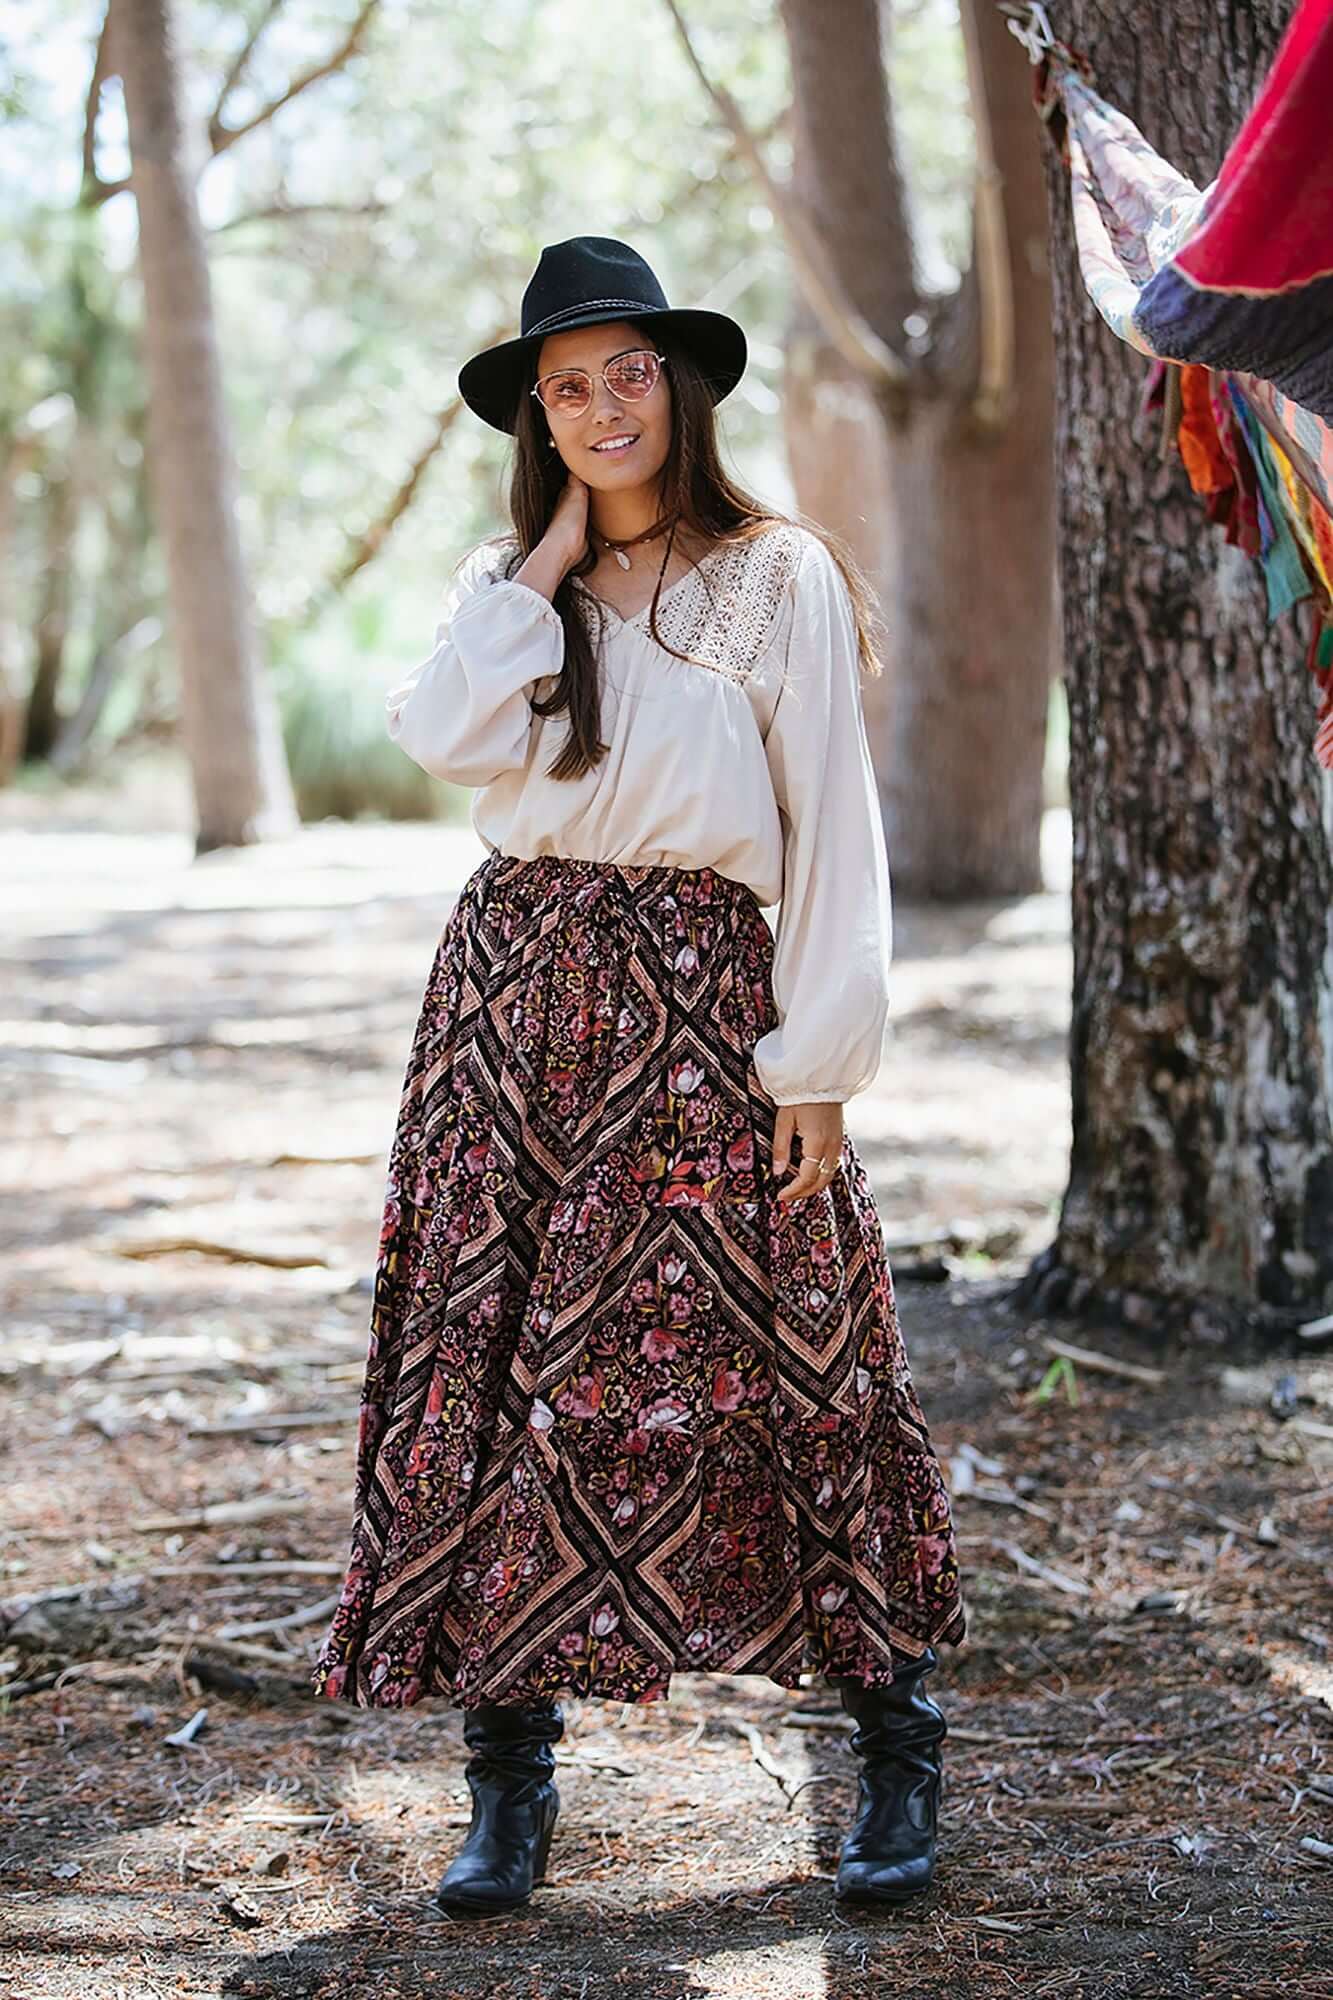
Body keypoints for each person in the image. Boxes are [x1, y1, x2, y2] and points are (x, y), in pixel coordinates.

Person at [309, 235, 967, 1918]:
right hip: (509, 1012)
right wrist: (535, 565)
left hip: (699, 1012)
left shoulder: (776, 574)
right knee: (495, 1370)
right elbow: (442, 736)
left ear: (679, 385)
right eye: (567, 386)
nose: (604, 408)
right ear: (538, 415)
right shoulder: (502, 595)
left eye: (628, 372)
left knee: (790, 1351)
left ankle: (894, 1748)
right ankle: (506, 1786)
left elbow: (829, 822)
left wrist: (816, 1062)